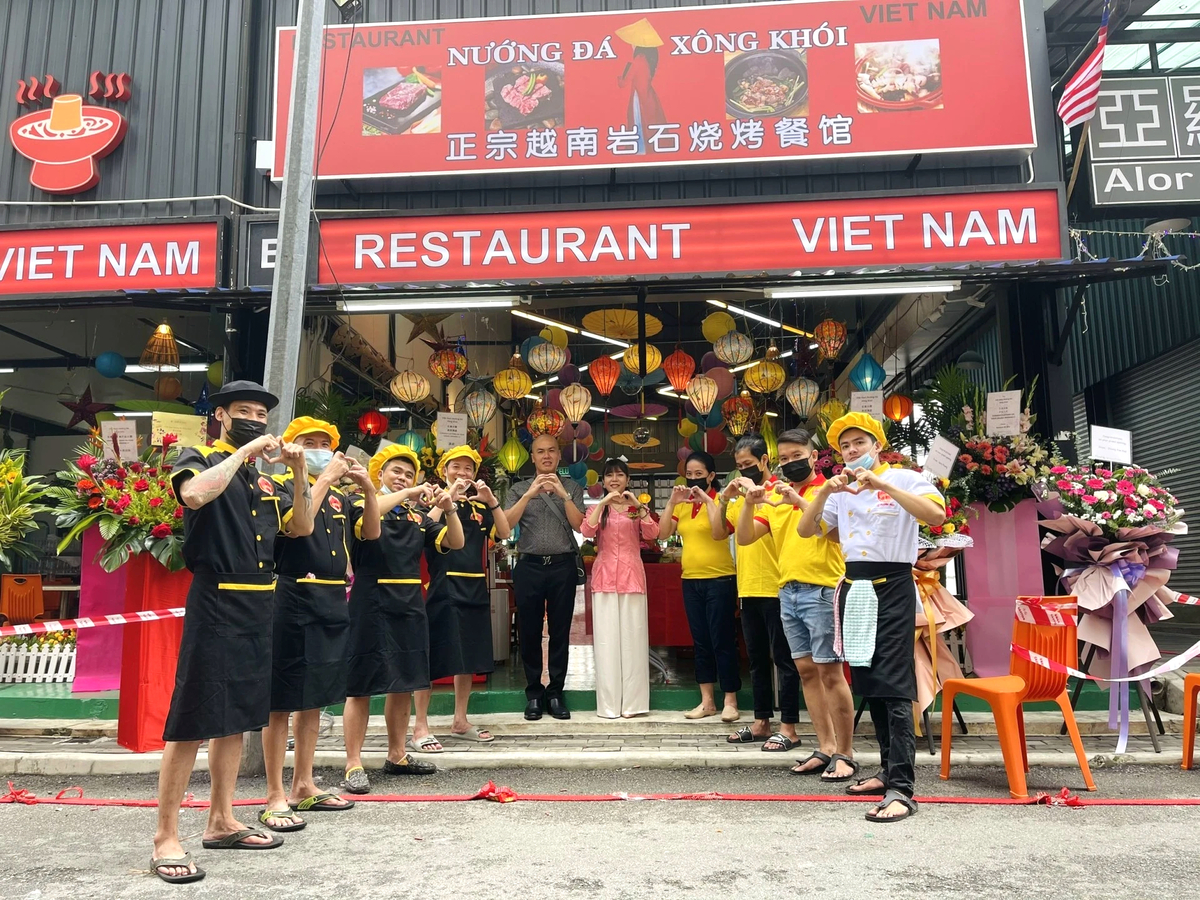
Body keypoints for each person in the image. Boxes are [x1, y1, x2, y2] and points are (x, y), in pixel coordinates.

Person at [150, 380, 316, 884]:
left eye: (262, 415)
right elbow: (193, 494)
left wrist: (299, 471)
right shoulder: (200, 457)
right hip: (216, 597)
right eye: (244, 412)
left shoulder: (264, 481)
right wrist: (243, 450)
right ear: (221, 415)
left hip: (260, 601)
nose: (256, 421)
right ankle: (165, 836)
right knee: (193, 717)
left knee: (238, 716)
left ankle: (221, 820)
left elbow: (302, 527)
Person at [799, 412, 946, 823]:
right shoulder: (840, 490)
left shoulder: (905, 478)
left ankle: (902, 788)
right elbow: (808, 531)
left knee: (894, 684)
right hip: (854, 587)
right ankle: (885, 770)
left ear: (877, 445)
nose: (851, 451)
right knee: (868, 679)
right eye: (844, 446)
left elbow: (936, 516)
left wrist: (883, 486)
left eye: (859, 443)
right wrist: (824, 492)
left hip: (894, 584)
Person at [258, 417, 374, 832]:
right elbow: (296, 525)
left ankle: (303, 784)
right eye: (310, 443)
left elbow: (364, 537)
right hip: (291, 596)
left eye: (326, 443)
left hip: (330, 598)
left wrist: (364, 489)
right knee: (281, 701)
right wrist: (321, 477)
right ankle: (274, 793)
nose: (321, 449)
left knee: (314, 698)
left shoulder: (342, 499)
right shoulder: (278, 486)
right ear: (291, 448)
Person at [340, 444, 463, 795]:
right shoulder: (360, 501)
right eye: (396, 471)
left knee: (404, 683)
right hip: (370, 600)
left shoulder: (416, 516)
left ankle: (397, 755)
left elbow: (455, 541)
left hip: (409, 604)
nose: (403, 478)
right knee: (360, 685)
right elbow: (370, 525)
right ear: (379, 474)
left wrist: (449, 508)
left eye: (409, 474)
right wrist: (408, 493)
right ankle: (353, 762)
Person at [734, 429, 856, 782]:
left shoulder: (831, 489)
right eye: (784, 458)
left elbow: (833, 532)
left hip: (823, 588)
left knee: (830, 672)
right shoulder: (775, 495)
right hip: (786, 591)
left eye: (797, 456)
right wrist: (750, 502)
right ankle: (825, 747)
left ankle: (846, 754)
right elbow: (744, 537)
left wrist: (798, 500)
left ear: (814, 456)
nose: (791, 463)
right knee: (806, 671)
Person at [411, 445, 512, 751]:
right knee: (431, 656)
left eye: (468, 468)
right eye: (456, 467)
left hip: (474, 588)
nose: (462, 473)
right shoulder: (432, 499)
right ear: (444, 471)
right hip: (441, 587)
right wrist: (446, 500)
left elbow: (504, 532)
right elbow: (420, 529)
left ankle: (460, 720)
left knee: (467, 658)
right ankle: (420, 726)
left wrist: (492, 501)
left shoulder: (479, 507)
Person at [718, 434, 801, 752]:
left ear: (765, 460)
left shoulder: (780, 493)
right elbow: (724, 533)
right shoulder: (741, 496)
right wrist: (725, 499)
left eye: (749, 464)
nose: (744, 470)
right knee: (756, 660)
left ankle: (789, 727)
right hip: (748, 586)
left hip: (778, 587)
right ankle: (762, 721)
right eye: (739, 466)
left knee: (785, 660)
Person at [503, 434, 586, 721]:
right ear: (533, 457)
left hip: (563, 565)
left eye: (551, 451)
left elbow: (580, 525)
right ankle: (534, 695)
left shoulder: (572, 487)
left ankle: (556, 693)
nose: (546, 456)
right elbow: (505, 526)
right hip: (530, 566)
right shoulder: (518, 489)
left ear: (559, 456)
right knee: (529, 632)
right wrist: (529, 494)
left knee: (560, 631)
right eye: (540, 451)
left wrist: (563, 495)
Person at [659, 450, 740, 723]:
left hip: (720, 578)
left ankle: (730, 700)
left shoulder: (722, 500)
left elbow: (719, 532)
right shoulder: (682, 505)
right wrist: (672, 502)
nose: (693, 479)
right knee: (701, 641)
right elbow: (662, 534)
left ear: (711, 476)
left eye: (699, 474)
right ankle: (707, 701)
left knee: (723, 640)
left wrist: (707, 499)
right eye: (689, 474)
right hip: (690, 579)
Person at [580, 458, 657, 718]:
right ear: (603, 481)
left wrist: (638, 505)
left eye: (620, 475)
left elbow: (653, 534)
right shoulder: (598, 509)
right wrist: (603, 502)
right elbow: (586, 531)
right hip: (604, 579)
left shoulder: (636, 509)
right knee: (606, 642)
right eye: (610, 475)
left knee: (634, 640)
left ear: (628, 480)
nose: (615, 479)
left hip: (632, 577)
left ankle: (633, 704)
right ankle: (609, 705)